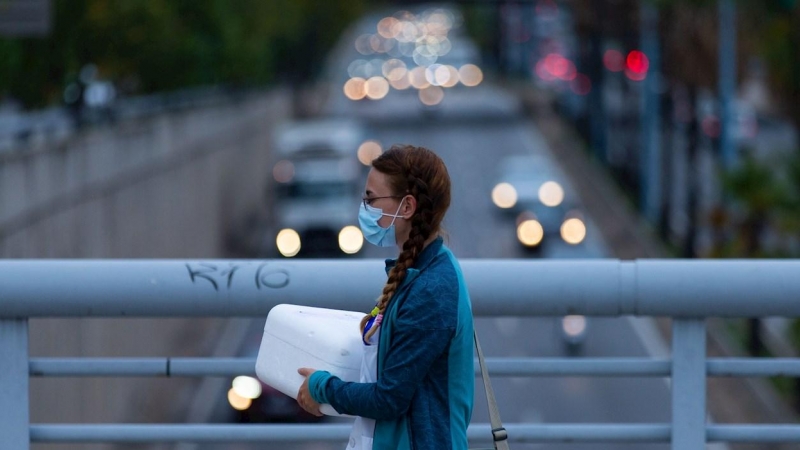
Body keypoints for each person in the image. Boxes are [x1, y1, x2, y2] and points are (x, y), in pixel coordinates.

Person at [296, 144, 475, 450]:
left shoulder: (431, 290)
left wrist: (322, 387)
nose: (364, 209)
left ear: (406, 207)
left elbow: (389, 399)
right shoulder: (424, 270)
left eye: (370, 199)